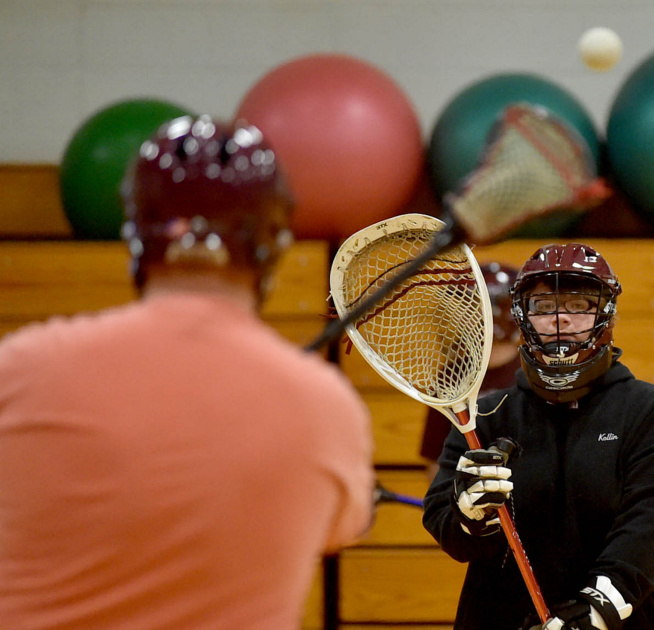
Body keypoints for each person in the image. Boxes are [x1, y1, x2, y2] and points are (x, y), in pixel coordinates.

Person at [0, 115, 375, 629]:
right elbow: (341, 528)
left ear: (136, 234)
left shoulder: (21, 367)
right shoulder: (327, 408)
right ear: (272, 244)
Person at [423, 243, 654, 630]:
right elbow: (448, 530)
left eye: (579, 305)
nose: (560, 321)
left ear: (606, 314)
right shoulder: (484, 416)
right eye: (543, 307)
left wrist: (595, 612)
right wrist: (470, 515)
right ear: (523, 316)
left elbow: (653, 529)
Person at [420, 261, 521, 481]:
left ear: (497, 313)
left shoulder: (531, 374)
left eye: (469, 308)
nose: (458, 321)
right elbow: (436, 463)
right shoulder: (450, 377)